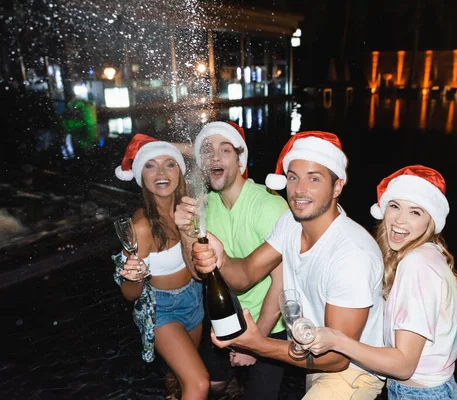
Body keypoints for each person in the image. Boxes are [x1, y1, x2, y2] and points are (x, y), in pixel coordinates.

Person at [182, 131, 386, 399]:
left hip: (354, 372)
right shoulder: (290, 223)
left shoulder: (351, 253)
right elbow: (246, 274)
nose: (300, 189)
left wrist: (259, 345)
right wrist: (221, 258)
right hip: (314, 352)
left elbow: (338, 358)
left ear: (337, 186)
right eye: (293, 177)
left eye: (314, 178)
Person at [302, 165, 457, 400]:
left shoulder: (416, 265)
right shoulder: (431, 254)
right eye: (395, 206)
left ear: (431, 221)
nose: (400, 219)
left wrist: (337, 340)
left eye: (415, 212)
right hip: (437, 388)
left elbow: (403, 365)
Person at [175, 121, 291, 399]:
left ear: (240, 160)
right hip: (223, 319)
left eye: (225, 149)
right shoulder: (205, 206)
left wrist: (256, 343)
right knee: (212, 386)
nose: (214, 156)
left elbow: (283, 282)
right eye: (207, 150)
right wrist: (183, 231)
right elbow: (197, 273)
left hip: (268, 323)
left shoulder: (268, 204)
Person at [112, 133, 209, 399]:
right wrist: (135, 277)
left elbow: (210, 160)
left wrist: (174, 147)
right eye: (150, 165)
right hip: (162, 310)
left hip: (193, 298)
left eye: (170, 163)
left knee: (179, 377)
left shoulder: (187, 204)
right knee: (199, 383)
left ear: (180, 170)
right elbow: (130, 295)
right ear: (140, 175)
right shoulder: (141, 227)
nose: (161, 172)